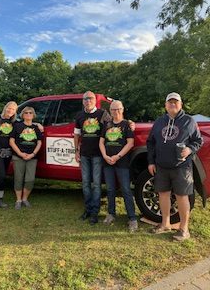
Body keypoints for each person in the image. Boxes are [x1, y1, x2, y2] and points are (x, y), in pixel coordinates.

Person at [147, 92, 203, 241]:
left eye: (175, 102)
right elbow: (151, 142)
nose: (172, 104)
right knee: (163, 194)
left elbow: (198, 140)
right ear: (165, 105)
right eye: (169, 102)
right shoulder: (159, 122)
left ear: (180, 104)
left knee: (182, 196)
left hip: (181, 166)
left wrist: (190, 149)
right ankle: (165, 223)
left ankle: (184, 229)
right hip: (161, 166)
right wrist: (151, 161)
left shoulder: (188, 121)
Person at [99, 100, 138, 232]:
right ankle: (111, 214)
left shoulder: (127, 125)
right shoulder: (107, 124)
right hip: (107, 162)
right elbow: (101, 142)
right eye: (113, 110)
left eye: (118, 109)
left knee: (126, 190)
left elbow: (130, 143)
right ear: (110, 111)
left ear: (122, 109)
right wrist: (105, 156)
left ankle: (132, 219)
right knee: (110, 189)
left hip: (121, 162)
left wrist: (118, 156)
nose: (115, 112)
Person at [74, 91, 112, 225]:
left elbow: (114, 123)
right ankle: (88, 209)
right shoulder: (79, 115)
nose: (87, 101)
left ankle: (95, 212)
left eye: (90, 98)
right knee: (85, 183)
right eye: (85, 99)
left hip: (97, 154)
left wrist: (130, 123)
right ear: (83, 101)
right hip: (84, 154)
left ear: (95, 100)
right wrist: (76, 150)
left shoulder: (102, 114)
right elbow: (77, 135)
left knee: (96, 184)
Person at [9, 106, 42, 210]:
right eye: (26, 113)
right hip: (18, 157)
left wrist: (33, 154)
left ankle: (25, 199)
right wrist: (20, 153)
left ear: (33, 115)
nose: (28, 114)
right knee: (18, 179)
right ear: (22, 115)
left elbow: (39, 142)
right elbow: (11, 141)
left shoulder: (36, 128)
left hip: (32, 157)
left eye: (30, 113)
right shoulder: (17, 126)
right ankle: (18, 200)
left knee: (30, 180)